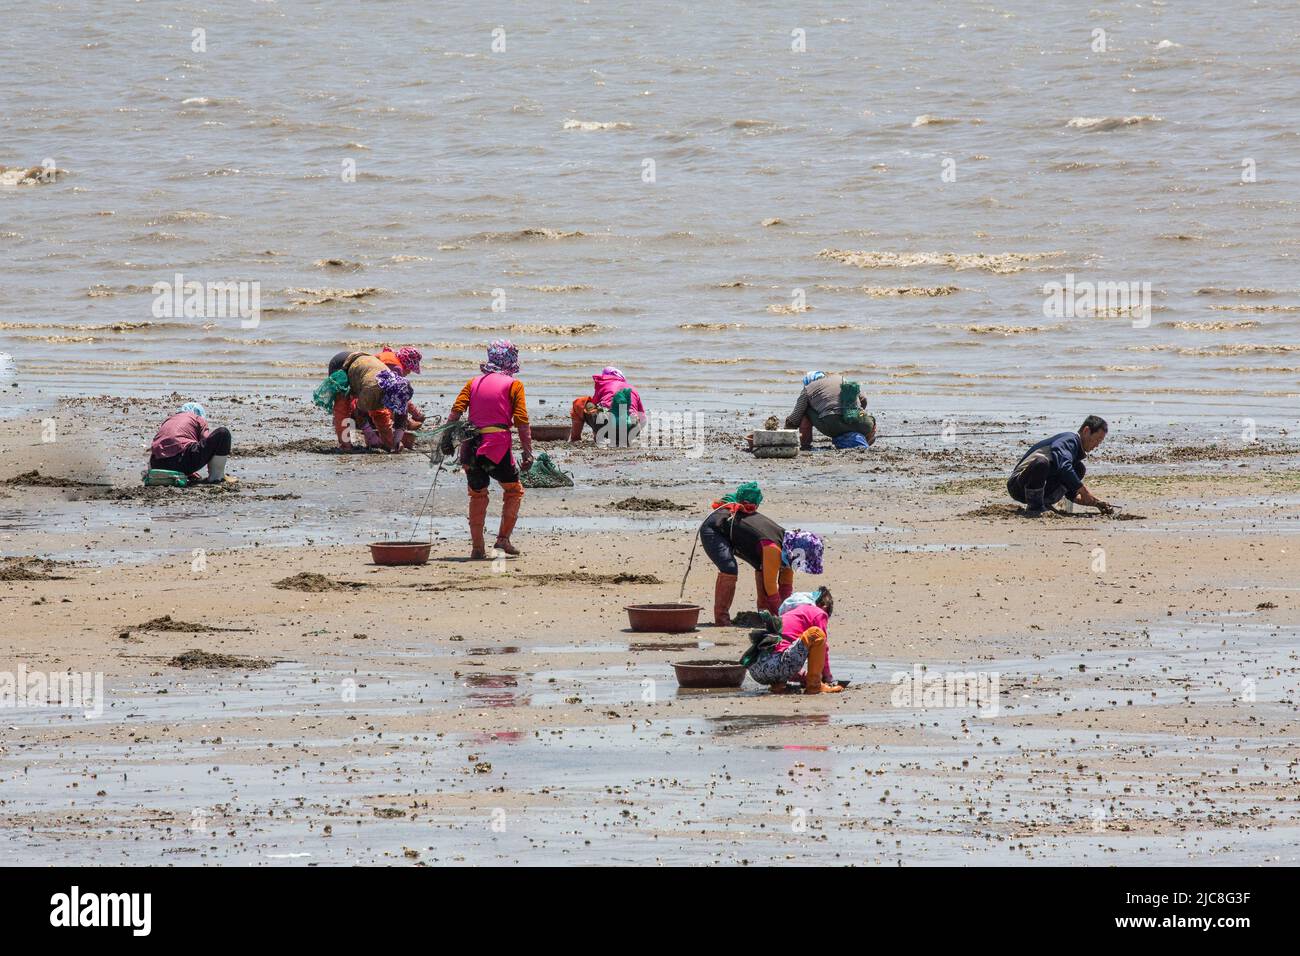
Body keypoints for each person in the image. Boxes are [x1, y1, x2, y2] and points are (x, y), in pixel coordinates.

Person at [445, 340, 534, 559]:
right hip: (496, 448)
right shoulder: (514, 385)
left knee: (477, 495)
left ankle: (477, 548)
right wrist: (527, 451)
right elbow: (521, 420)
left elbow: (455, 412)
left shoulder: (473, 382)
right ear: (511, 360)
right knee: (513, 490)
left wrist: (446, 439)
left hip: (471, 447)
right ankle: (503, 540)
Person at [698, 481, 825, 625]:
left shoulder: (790, 548)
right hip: (715, 528)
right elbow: (771, 587)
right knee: (729, 568)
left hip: (742, 534)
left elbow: (785, 586)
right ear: (798, 554)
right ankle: (722, 620)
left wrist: (786, 611)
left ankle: (764, 615)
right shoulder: (773, 548)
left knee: (762, 567)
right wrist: (783, 619)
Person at [1007, 415, 1113, 516]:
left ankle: (1045, 503)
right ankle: (1035, 507)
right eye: (1097, 439)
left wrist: (1094, 502)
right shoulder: (1069, 440)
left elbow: (1070, 488)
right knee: (1042, 463)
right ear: (1086, 431)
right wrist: (1084, 490)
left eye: (1100, 441)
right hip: (1017, 485)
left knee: (1079, 468)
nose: (1097, 444)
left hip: (1041, 489)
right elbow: (1064, 466)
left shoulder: (1076, 452)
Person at [744, 588, 842, 694]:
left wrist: (804, 678)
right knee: (816, 634)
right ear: (824, 607)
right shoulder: (819, 613)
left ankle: (778, 686)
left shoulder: (791, 614)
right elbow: (823, 648)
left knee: (783, 645)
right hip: (777, 664)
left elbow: (786, 655)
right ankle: (815, 685)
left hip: (757, 671)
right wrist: (828, 678)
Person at [331, 351, 413, 452]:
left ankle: (389, 443)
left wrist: (396, 440)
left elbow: (401, 415)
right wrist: (370, 434)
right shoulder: (372, 389)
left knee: (379, 411)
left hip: (367, 367)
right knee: (343, 407)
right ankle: (345, 445)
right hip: (343, 364)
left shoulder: (400, 389)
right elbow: (359, 412)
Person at [784, 371, 876, 450]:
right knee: (871, 420)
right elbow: (863, 399)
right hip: (863, 425)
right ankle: (865, 442)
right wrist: (856, 413)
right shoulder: (841, 379)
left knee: (805, 411)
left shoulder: (808, 388)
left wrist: (785, 435)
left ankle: (805, 446)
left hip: (833, 426)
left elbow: (794, 419)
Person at [149, 402, 234, 483]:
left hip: (156, 464)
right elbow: (206, 442)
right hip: (181, 462)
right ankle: (217, 477)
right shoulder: (198, 418)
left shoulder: (169, 420)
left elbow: (162, 446)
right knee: (223, 433)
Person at [568, 366, 647, 444]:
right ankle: (624, 439)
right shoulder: (633, 389)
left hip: (606, 426)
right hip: (631, 429)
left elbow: (595, 407)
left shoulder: (603, 384)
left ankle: (575, 439)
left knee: (581, 402)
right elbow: (643, 418)